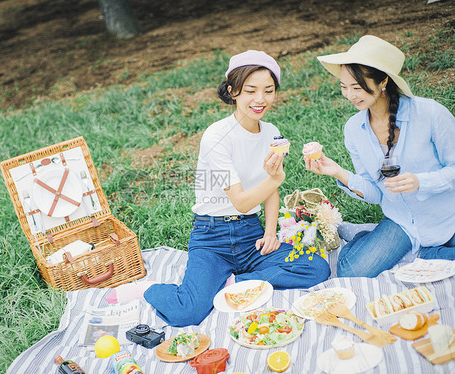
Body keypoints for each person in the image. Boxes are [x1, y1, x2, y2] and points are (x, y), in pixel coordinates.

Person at [107, 50, 330, 327]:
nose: (260, 99)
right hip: (212, 238)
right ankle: (148, 289)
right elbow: (241, 201)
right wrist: (275, 179)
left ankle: (235, 282)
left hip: (251, 235)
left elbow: (267, 189)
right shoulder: (217, 136)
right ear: (232, 90)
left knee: (316, 267)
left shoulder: (272, 133)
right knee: (186, 313)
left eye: (268, 91)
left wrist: (271, 233)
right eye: (250, 90)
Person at [305, 35, 455, 278]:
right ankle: (380, 239)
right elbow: (376, 193)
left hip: (445, 215)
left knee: (435, 252)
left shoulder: (430, 114)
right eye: (344, 87)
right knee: (350, 270)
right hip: (401, 221)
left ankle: (426, 253)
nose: (350, 95)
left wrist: (420, 182)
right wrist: (338, 172)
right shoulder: (354, 129)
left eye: (357, 87)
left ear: (383, 81)